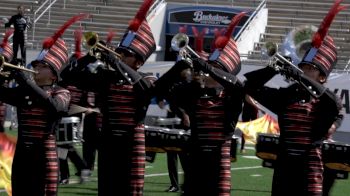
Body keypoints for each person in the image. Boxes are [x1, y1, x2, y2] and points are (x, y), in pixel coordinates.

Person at [244, 2, 345, 195]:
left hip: (310, 168)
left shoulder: (326, 101)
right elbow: (250, 87)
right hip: (284, 169)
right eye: (303, 67)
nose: (304, 71)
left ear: (322, 77)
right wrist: (272, 68)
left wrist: (299, 76)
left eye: (311, 69)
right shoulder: (287, 95)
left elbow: (334, 104)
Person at [60, 0, 157, 194]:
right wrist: (89, 56)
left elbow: (141, 87)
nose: (119, 56)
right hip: (108, 140)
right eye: (118, 52)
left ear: (138, 61)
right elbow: (66, 77)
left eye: (125, 54)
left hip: (131, 142)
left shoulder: (147, 79)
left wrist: (115, 61)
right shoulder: (105, 77)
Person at [154, 12, 246, 196]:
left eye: (216, 69)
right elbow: (159, 89)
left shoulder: (231, 96)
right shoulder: (195, 93)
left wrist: (208, 67)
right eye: (210, 67)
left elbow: (237, 84)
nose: (210, 73)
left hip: (218, 162)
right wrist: (179, 67)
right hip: (194, 160)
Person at [0, 19, 77, 195]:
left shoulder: (62, 92)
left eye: (42, 66)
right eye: (36, 65)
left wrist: (28, 84)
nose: (36, 69)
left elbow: (56, 107)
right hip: (21, 157)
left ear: (53, 76)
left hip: (44, 157)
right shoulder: (24, 91)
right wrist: (5, 73)